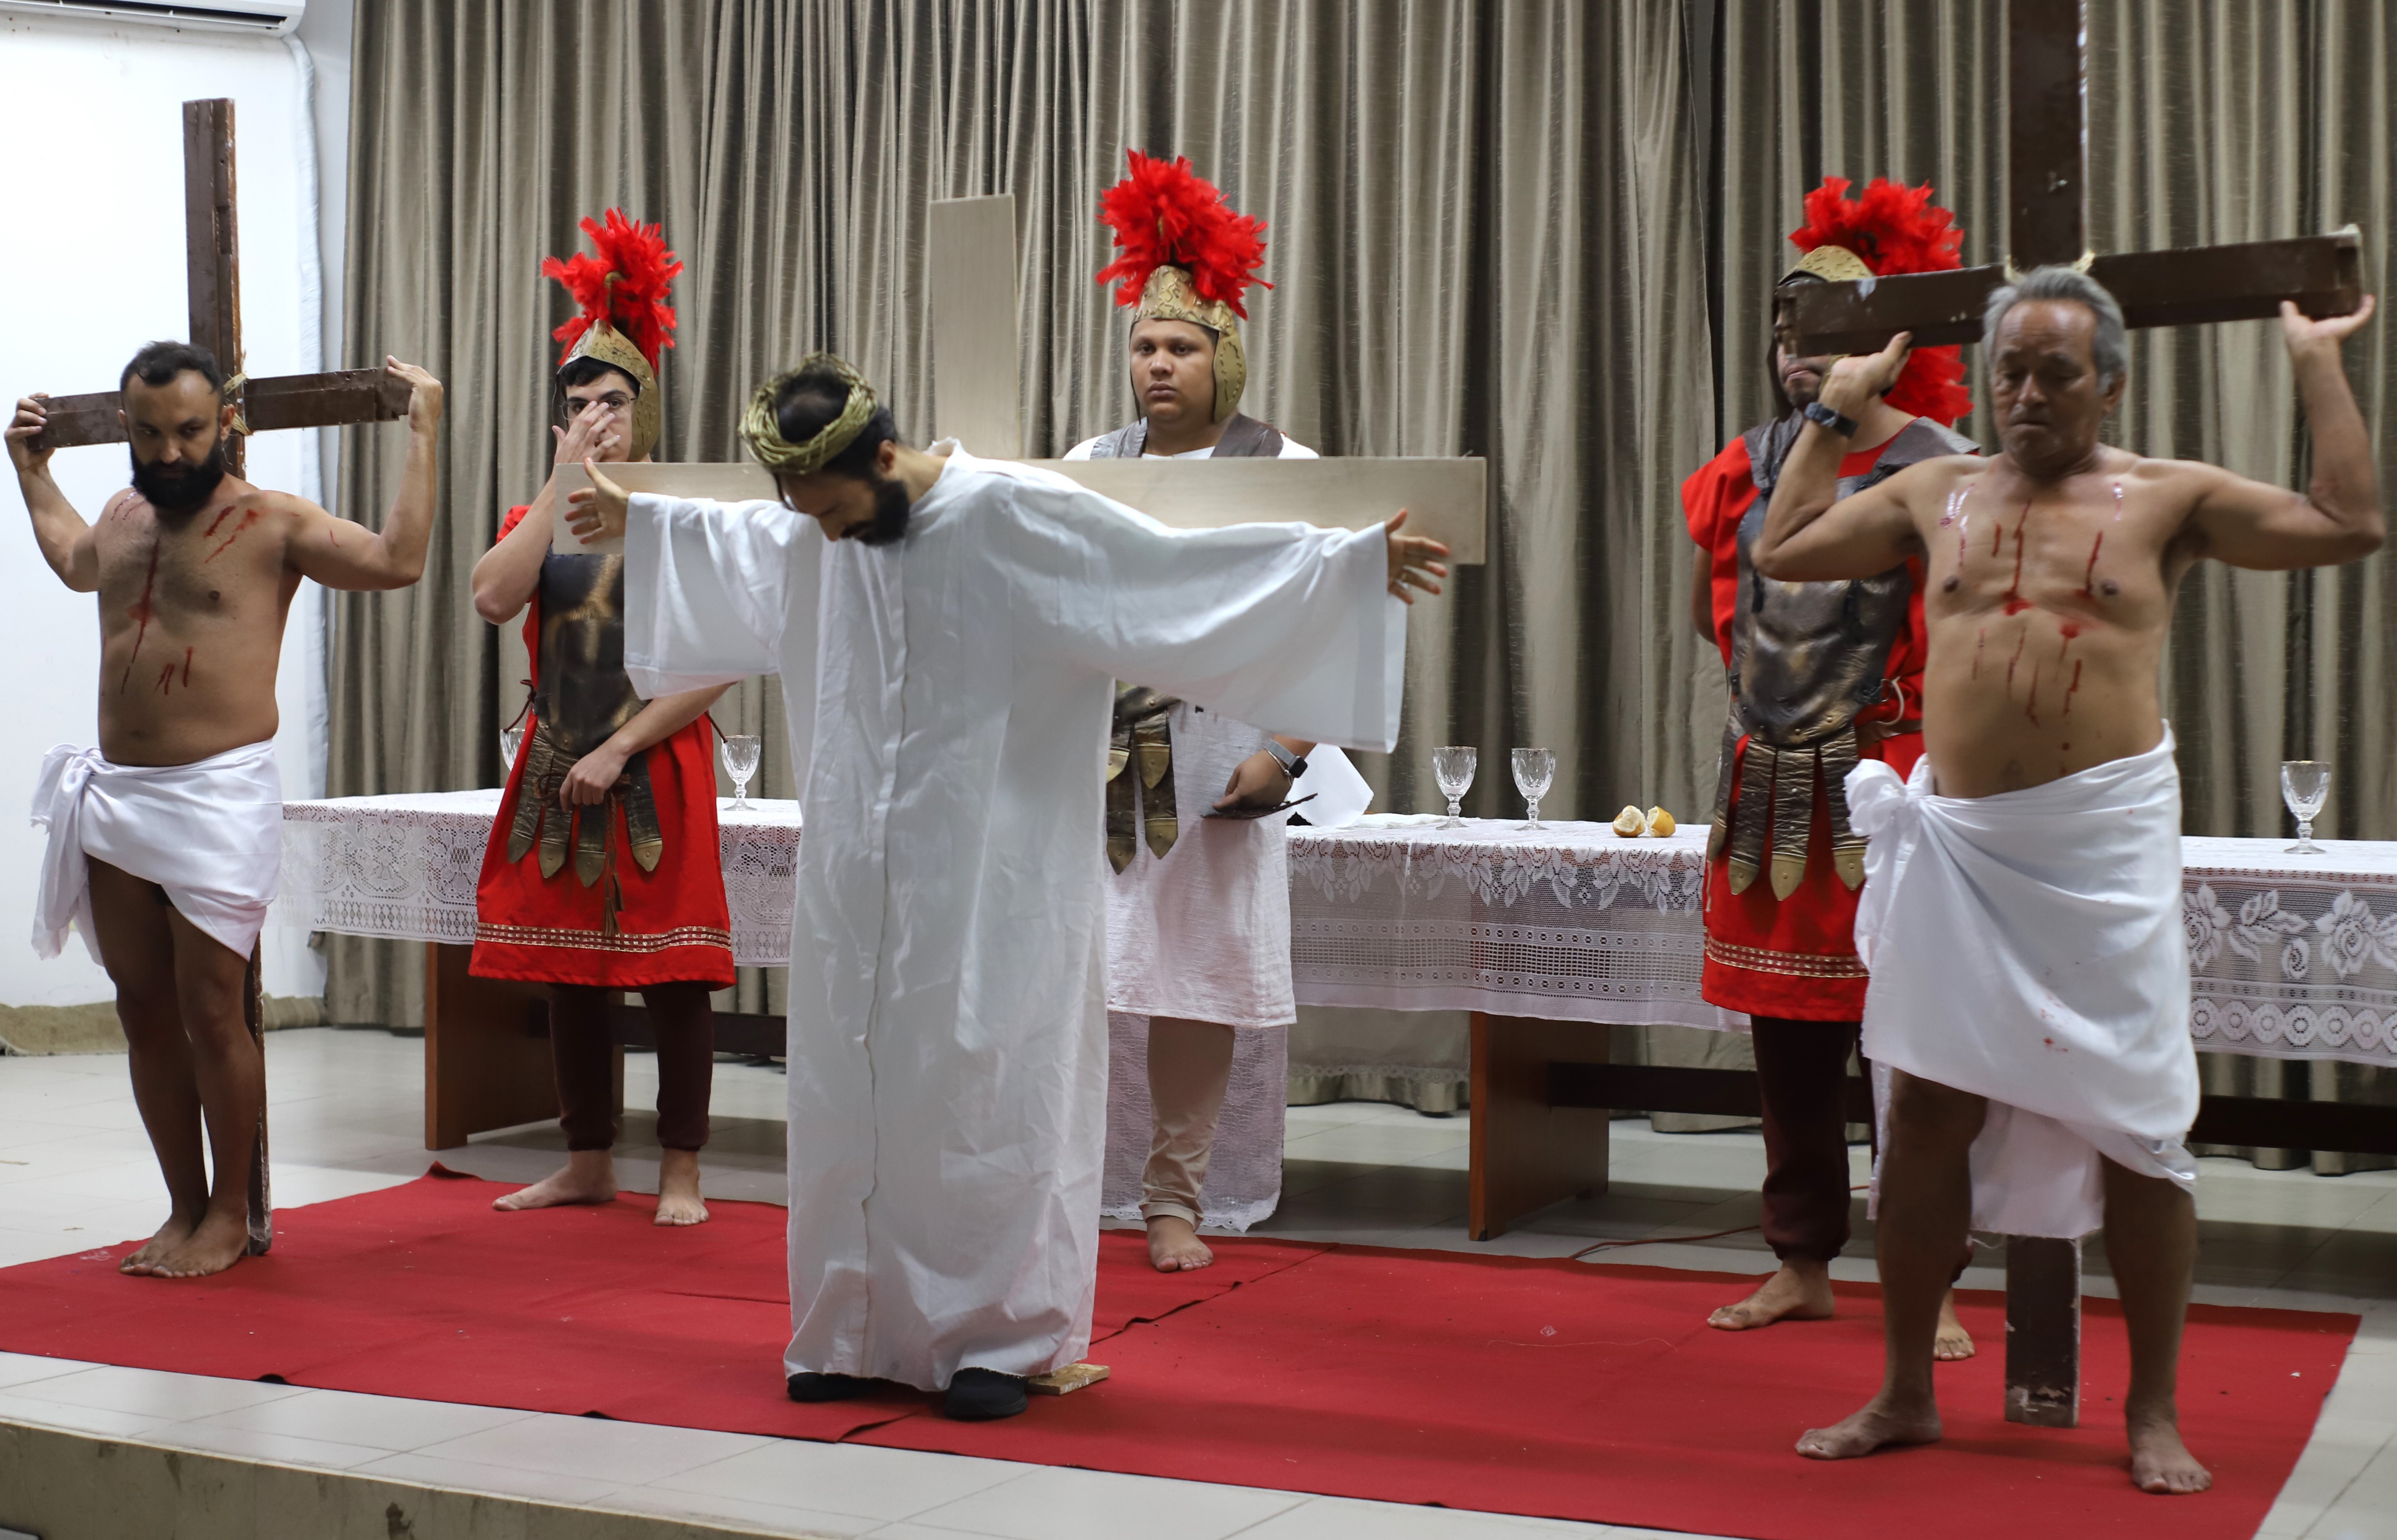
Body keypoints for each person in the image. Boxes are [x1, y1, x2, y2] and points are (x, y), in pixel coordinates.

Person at [565, 354, 1447, 1421]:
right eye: (809, 516)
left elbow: (1174, 580)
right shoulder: (814, 529)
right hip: (856, 881)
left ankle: (999, 1337)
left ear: (885, 458)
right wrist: (641, 518)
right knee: (851, 1094)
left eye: (840, 510)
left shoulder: (1019, 518)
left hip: (1000, 876)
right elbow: (735, 542)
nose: (827, 537)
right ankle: (849, 1324)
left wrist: (1342, 572)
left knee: (991, 1086)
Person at [1756, 268, 2381, 1493]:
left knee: (2140, 1130)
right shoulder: (1932, 492)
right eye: (2009, 372)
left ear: (2111, 381)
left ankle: (2151, 1409)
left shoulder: (2167, 498)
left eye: (2054, 373)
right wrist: (1834, 413)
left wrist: (2316, 361)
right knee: (1924, 1116)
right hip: (1962, 852)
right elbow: (1779, 548)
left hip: (2097, 855)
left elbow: (2347, 523)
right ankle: (1904, 1390)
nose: (2028, 394)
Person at [14, 344, 443, 1279]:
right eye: (149, 432)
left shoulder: (270, 523)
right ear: (127, 426)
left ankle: (228, 1211)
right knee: (141, 1007)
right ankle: (177, 1204)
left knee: (214, 1008)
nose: (169, 452)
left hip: (215, 796)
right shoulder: (124, 516)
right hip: (119, 794)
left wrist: (425, 436)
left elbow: (398, 561)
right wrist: (32, 472)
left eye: (190, 431)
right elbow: (75, 563)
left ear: (226, 423)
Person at [1684, 178, 1977, 1356]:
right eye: (1788, 338)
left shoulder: (1939, 467)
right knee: (1786, 1035)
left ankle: (1934, 1273)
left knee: (1913, 1041)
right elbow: (1728, 617)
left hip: (1894, 772)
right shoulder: (1736, 467)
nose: (1800, 360)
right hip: (1768, 775)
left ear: (1886, 347)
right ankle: (1801, 1260)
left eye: (1828, 339)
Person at [1070, 150, 1373, 1272]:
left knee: (1192, 981)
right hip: (1103, 764)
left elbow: (1335, 627)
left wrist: (1284, 755)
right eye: (1145, 345)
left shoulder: (1285, 466)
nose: (1158, 362)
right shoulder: (1089, 464)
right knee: (1088, 975)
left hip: (1225, 764)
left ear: (1223, 357)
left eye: (1182, 345)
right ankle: (1069, 1181)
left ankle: (1174, 1200)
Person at [468, 211, 733, 1227]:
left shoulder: (686, 513)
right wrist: (560, 478)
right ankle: (586, 1158)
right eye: (578, 403)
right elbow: (495, 599)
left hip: (653, 754)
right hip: (555, 753)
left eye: (613, 401)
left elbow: (720, 662)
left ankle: (681, 1168)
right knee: (568, 970)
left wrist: (625, 744)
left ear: (646, 407)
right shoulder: (544, 507)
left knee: (672, 975)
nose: (595, 417)